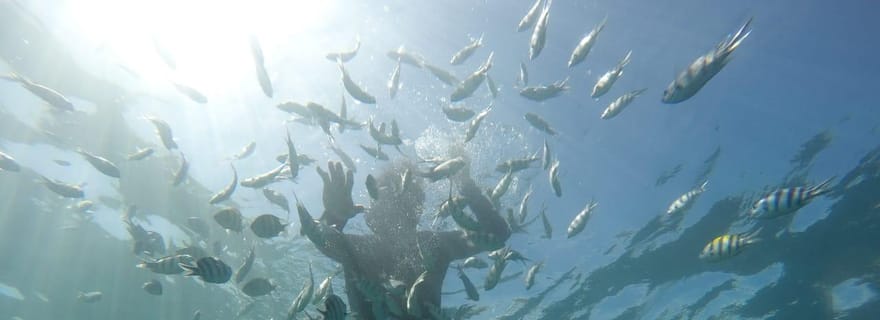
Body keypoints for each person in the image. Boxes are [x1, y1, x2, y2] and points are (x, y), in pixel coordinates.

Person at [298, 160, 510, 319]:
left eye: (398, 197)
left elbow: (498, 234)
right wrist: (334, 216)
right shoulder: (433, 245)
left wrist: (464, 182)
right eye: (383, 196)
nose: (390, 204)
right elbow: (321, 240)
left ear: (415, 209)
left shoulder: (432, 244)